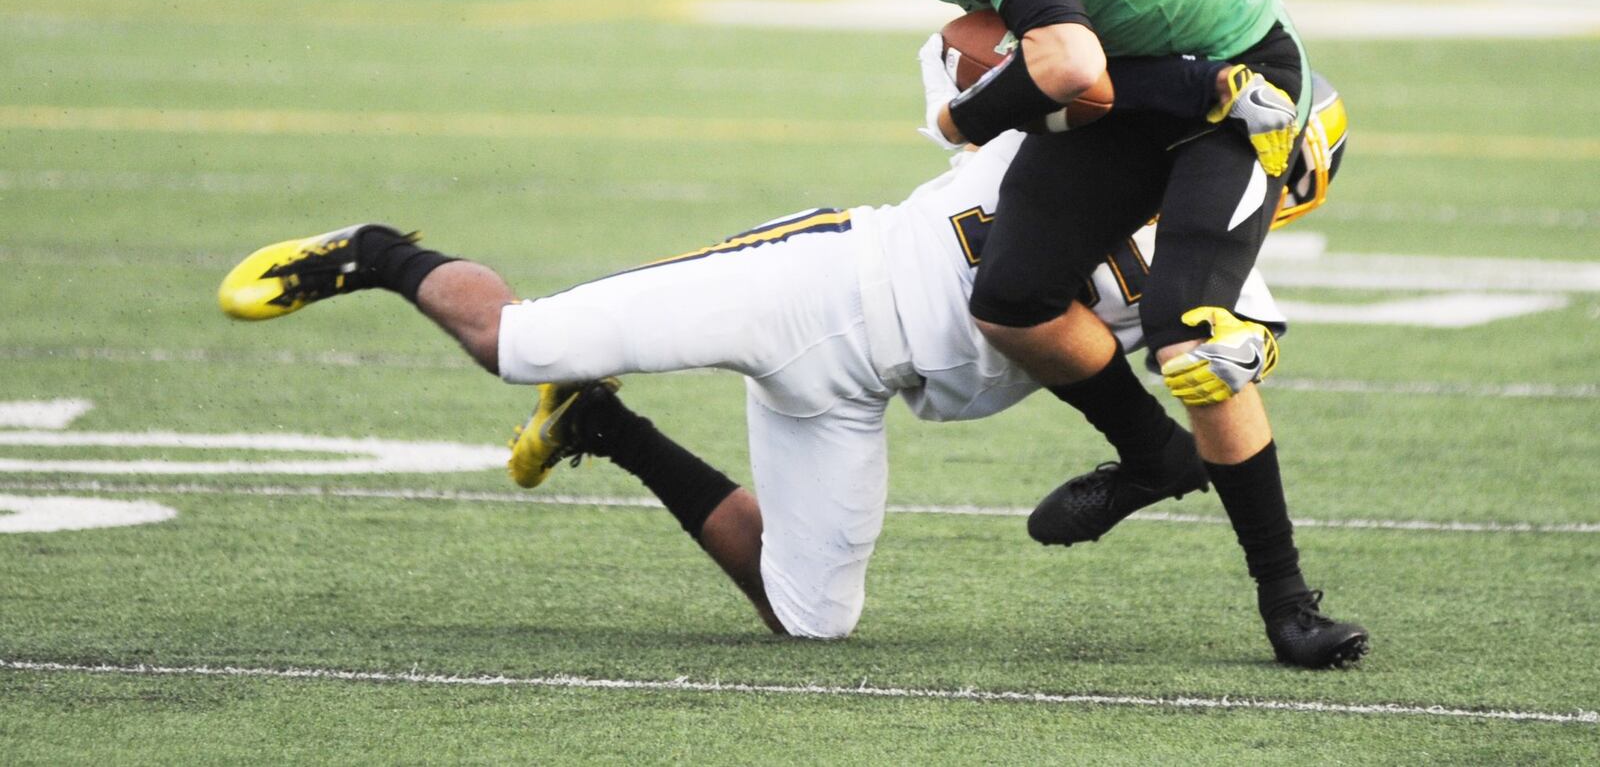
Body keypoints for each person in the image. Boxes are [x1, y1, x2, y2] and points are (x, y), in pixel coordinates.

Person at [216, 80, 1348, 645]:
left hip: (862, 390)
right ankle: (374, 253)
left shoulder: (1223, 288)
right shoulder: (1093, 119)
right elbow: (988, 50)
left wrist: (1250, 555)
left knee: (811, 616)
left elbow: (1226, 407)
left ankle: (604, 427)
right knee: (520, 340)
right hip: (818, 282)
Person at [747, 0, 1366, 668]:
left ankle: (1288, 600)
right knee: (1012, 296)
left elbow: (1070, 62)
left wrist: (966, 120)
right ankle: (1155, 458)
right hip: (1158, 77)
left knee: (1192, 339)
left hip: (1244, 83)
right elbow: (1058, 49)